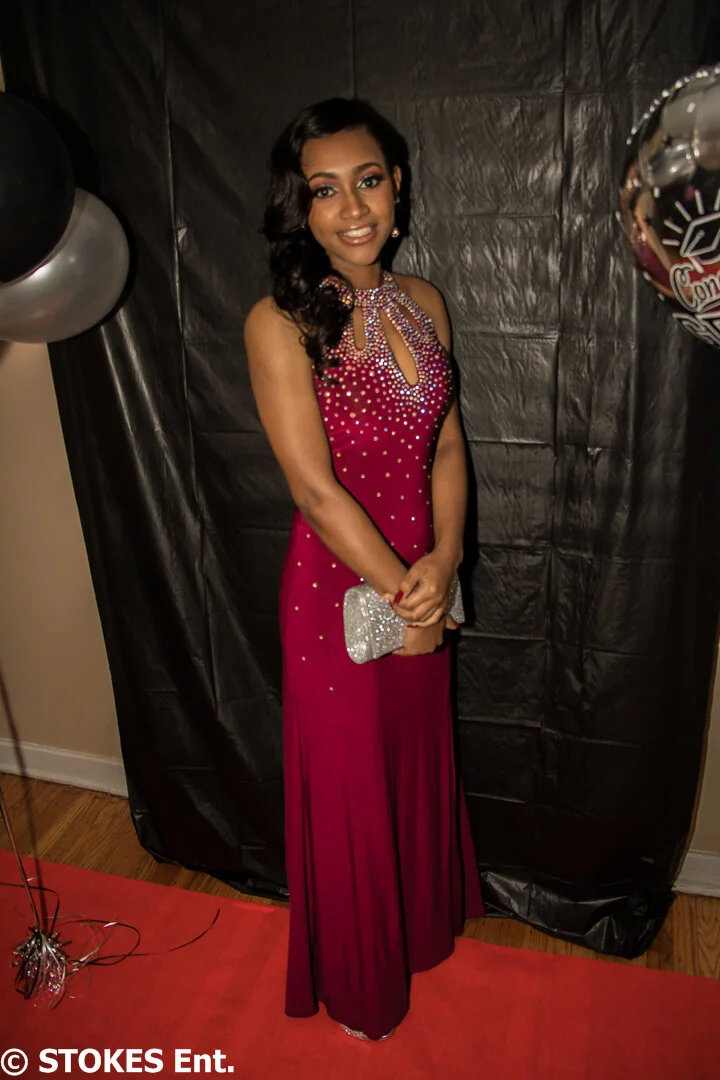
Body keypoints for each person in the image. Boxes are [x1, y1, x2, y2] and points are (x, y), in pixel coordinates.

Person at [244, 97, 485, 1043]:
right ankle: (359, 988)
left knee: (410, 769)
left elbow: (449, 446)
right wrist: (406, 595)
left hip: (424, 576)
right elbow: (314, 491)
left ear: (399, 187)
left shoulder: (426, 302)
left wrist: (447, 560)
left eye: (369, 181)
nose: (352, 208)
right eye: (324, 189)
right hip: (335, 599)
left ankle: (417, 936)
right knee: (350, 794)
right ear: (299, 206)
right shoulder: (280, 321)